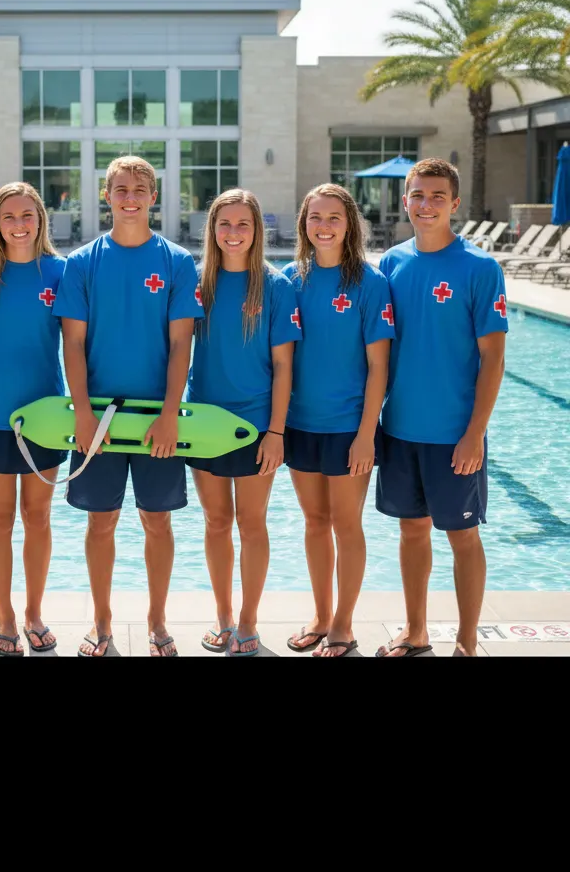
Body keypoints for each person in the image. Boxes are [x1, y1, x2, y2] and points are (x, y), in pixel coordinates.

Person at [53, 155, 203, 657]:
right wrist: (81, 413)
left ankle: (158, 621)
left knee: (157, 520)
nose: (131, 197)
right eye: (121, 188)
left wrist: (168, 414)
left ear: (153, 197)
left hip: (156, 418)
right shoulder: (82, 263)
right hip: (97, 415)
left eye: (141, 189)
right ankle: (102, 622)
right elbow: (72, 344)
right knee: (101, 521)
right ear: (107, 194)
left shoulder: (177, 262)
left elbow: (182, 345)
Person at [375, 158, 508, 658]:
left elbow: (493, 358)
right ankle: (416, 632)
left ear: (454, 204)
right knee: (412, 531)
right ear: (405, 200)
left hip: (455, 433)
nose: (425, 205)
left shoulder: (479, 267)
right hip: (402, 428)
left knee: (462, 535)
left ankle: (468, 642)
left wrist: (475, 432)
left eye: (436, 197)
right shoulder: (391, 264)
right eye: (417, 195)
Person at [281, 184, 394, 657]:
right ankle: (321, 614)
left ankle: (344, 624)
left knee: (347, 525)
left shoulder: (370, 284)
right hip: (300, 425)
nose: (323, 226)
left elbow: (379, 369)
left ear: (350, 225)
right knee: (314, 521)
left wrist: (367, 434)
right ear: (304, 224)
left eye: (333, 218)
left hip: (349, 427)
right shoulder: (290, 278)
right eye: (314, 218)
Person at [186, 189, 301, 657]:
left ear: (258, 232)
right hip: (203, 424)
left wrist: (275, 431)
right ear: (212, 231)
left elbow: (284, 368)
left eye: (243, 225)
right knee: (216, 522)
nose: (233, 234)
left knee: (252, 524)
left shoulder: (275, 287)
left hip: (255, 426)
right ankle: (224, 617)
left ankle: (249, 622)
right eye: (224, 225)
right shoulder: (196, 284)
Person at [0, 182, 66, 657]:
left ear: (41, 219)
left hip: (46, 415)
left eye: (28, 215)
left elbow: (82, 342)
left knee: (38, 517)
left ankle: (34, 613)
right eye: (9, 217)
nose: (19, 225)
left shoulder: (61, 273)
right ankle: (4, 616)